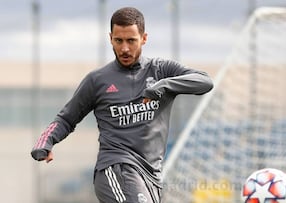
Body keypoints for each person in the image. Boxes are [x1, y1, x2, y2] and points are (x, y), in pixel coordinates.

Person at [31, 6, 213, 203]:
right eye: (118, 41)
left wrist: (164, 86)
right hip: (116, 167)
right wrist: (46, 142)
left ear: (144, 38)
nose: (124, 48)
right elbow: (66, 118)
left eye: (131, 41)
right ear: (110, 38)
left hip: (151, 176)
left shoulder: (161, 70)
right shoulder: (97, 80)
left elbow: (205, 81)